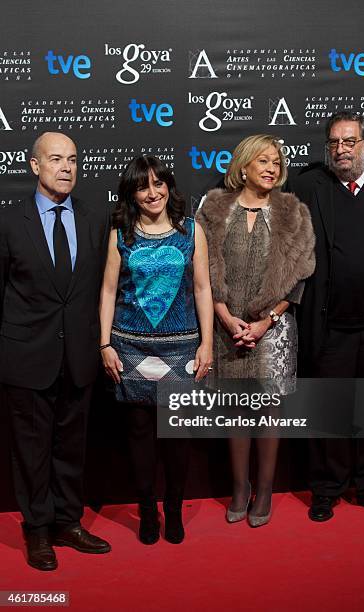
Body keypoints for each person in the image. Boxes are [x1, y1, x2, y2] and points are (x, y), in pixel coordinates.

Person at [0, 132, 111, 571]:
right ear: (33, 165)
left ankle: (68, 522)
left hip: (79, 357)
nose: (66, 167)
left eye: (73, 160)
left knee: (71, 447)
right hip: (26, 357)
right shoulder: (10, 222)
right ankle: (38, 531)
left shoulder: (94, 218)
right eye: (56, 159)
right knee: (31, 451)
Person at [292, 111, 364, 522]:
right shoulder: (309, 185)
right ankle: (326, 489)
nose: (341, 149)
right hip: (330, 326)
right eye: (335, 143)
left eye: (349, 141)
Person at [196, 134, 315, 527]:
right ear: (243, 166)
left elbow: (300, 276)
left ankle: (264, 490)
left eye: (276, 163)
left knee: (268, 410)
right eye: (262, 161)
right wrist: (226, 318)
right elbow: (204, 270)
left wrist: (268, 321)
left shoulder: (292, 211)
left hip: (274, 329)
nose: (271, 168)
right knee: (234, 411)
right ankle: (240, 487)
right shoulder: (214, 209)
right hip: (227, 326)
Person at [99, 155, 213, 545]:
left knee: (177, 437)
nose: (153, 192)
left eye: (159, 183)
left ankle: (174, 510)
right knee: (139, 434)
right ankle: (148, 510)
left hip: (182, 347)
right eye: (143, 186)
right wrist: (104, 344)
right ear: (132, 194)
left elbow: (202, 289)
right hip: (129, 347)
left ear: (169, 186)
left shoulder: (192, 231)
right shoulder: (120, 234)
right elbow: (109, 291)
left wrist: (207, 344)